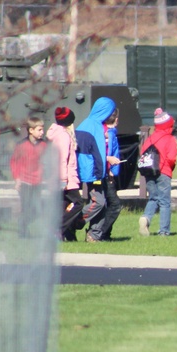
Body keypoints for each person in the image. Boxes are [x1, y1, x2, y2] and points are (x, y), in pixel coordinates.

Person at [75, 97, 120, 243]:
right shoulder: (93, 127)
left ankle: (94, 234)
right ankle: (74, 222)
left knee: (103, 204)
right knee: (98, 202)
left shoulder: (88, 124)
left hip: (95, 170)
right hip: (94, 171)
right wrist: (102, 169)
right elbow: (95, 153)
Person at [138, 107, 177, 237]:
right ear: (168, 125)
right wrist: (169, 168)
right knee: (165, 202)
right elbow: (172, 158)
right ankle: (164, 231)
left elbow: (143, 153)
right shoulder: (170, 139)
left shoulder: (150, 138)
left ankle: (146, 218)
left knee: (153, 198)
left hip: (149, 172)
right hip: (163, 172)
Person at [47, 106, 84, 241]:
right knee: (78, 203)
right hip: (66, 177)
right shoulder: (63, 136)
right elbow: (62, 157)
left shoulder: (54, 133)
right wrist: (63, 179)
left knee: (63, 204)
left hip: (58, 176)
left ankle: (64, 233)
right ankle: (58, 229)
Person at [9, 116, 49, 237]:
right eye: (39, 130)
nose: (42, 132)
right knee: (26, 207)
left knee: (36, 209)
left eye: (42, 130)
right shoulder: (21, 145)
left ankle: (23, 226)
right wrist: (17, 179)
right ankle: (23, 232)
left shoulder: (44, 145)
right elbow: (14, 162)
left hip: (37, 182)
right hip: (25, 182)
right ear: (31, 130)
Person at [99, 108, 123, 240]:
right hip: (107, 173)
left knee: (107, 204)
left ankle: (105, 234)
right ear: (117, 120)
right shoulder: (109, 133)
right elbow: (107, 152)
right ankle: (101, 233)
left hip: (106, 172)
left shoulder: (105, 131)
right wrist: (110, 167)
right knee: (115, 205)